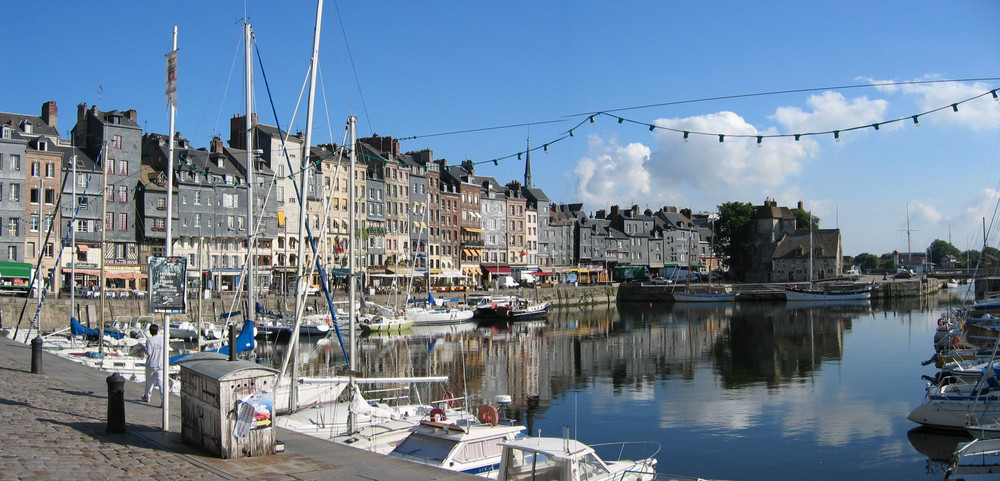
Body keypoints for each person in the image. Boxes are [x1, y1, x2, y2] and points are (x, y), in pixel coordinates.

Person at [142, 324, 165, 404]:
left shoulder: (149, 340)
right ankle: (163, 400)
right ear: (157, 331)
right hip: (161, 363)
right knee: (161, 382)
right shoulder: (162, 340)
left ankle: (147, 396)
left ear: (150, 331)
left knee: (149, 381)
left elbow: (149, 353)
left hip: (151, 363)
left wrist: (143, 349)